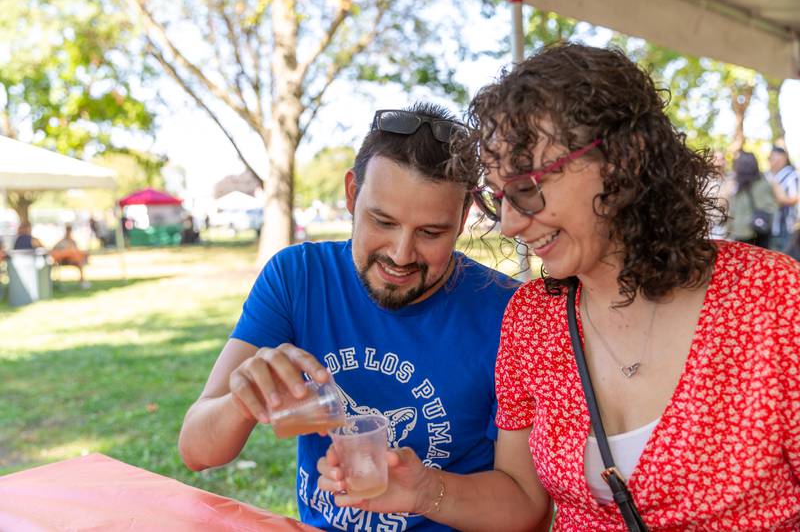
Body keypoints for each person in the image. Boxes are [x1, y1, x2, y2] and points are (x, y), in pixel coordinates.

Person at [319, 44, 800, 530]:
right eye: (499, 197)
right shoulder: (533, 319)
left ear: (624, 159)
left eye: (526, 189)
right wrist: (422, 490)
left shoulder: (773, 299)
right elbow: (526, 499)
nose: (508, 224)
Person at [178, 102, 520, 531]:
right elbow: (197, 450)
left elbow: (526, 510)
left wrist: (424, 490)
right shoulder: (298, 277)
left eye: (430, 233)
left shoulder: (509, 311)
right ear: (352, 194)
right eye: (382, 221)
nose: (401, 254)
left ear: (463, 216)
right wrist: (244, 400)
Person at [725, 151, 778, 248]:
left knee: (744, 261)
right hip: (760, 229)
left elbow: (730, 209)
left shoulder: (735, 184)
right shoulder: (763, 182)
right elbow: (771, 206)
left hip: (740, 232)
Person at [765, 145, 800, 251]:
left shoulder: (792, 175)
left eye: (777, 158)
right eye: (772, 158)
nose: (774, 161)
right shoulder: (767, 174)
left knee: (784, 257)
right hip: (768, 225)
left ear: (784, 158)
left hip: (785, 224)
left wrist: (779, 199)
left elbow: (795, 198)